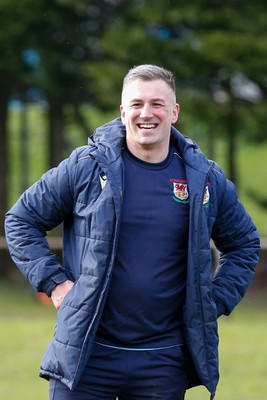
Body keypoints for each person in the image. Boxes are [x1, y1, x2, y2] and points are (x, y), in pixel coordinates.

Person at [5, 64, 260, 400]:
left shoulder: (204, 179)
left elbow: (243, 243)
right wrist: (55, 284)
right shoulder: (86, 166)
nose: (146, 114)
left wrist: (212, 301)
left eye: (157, 104)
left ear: (175, 112)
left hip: (162, 361)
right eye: (137, 104)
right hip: (86, 354)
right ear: (123, 111)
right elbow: (21, 220)